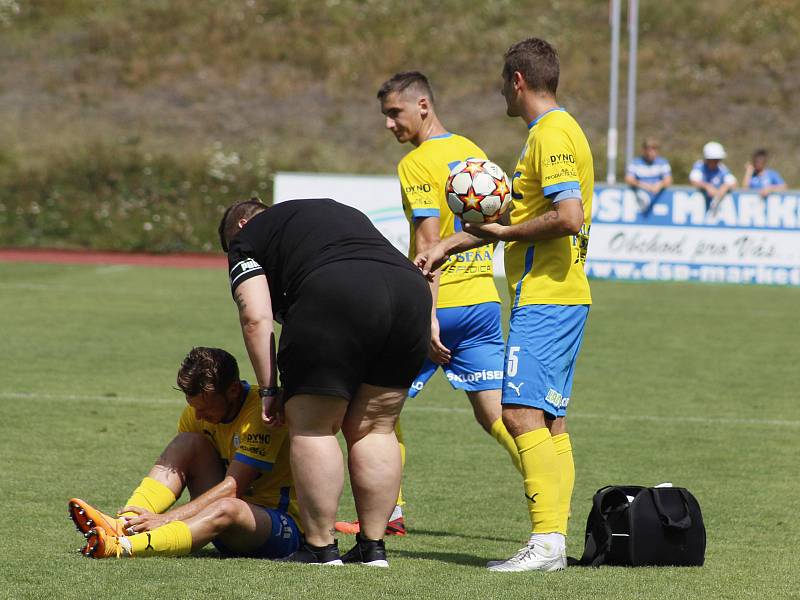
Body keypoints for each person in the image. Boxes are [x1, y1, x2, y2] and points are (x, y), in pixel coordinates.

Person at [417, 37, 592, 572]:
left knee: (517, 413)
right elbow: (512, 222)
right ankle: (554, 543)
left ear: (518, 80)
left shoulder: (554, 133)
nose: (500, 90)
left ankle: (544, 544)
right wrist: (448, 244)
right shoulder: (547, 134)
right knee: (551, 424)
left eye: (502, 81)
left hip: (547, 298)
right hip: (556, 297)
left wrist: (511, 231)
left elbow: (568, 216)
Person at [334, 72, 523, 538]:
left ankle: (386, 514)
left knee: (370, 414)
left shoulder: (417, 164)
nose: (389, 125)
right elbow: (496, 220)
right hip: (481, 301)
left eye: (394, 113)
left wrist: (429, 316)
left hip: (435, 306)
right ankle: (551, 491)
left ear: (423, 106)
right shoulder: (473, 150)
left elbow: (428, 241)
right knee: (496, 415)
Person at [218, 197, 431, 566]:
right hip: (411, 295)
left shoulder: (246, 238)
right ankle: (372, 547)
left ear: (238, 226)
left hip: (336, 290)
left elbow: (255, 317)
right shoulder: (332, 214)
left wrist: (269, 388)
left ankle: (319, 546)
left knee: (315, 427)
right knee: (377, 429)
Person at [70, 347, 302, 560]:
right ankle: (123, 524)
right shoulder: (195, 414)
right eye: (195, 408)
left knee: (228, 506)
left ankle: (121, 547)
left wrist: (166, 519)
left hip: (278, 527)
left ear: (232, 390)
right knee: (188, 442)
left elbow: (233, 489)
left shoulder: (262, 414)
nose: (199, 416)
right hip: (215, 524)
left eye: (206, 408)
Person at [624, 137, 672, 212]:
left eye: (654, 150)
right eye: (649, 150)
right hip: (638, 202)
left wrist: (660, 185)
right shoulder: (635, 162)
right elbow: (629, 179)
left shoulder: (663, 162)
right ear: (644, 150)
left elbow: (668, 180)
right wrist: (644, 186)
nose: (652, 153)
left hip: (659, 203)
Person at [689, 141, 737, 214]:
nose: (717, 162)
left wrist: (725, 187)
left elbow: (733, 182)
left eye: (718, 159)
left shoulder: (722, 168)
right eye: (714, 160)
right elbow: (693, 180)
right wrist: (706, 186)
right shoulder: (699, 166)